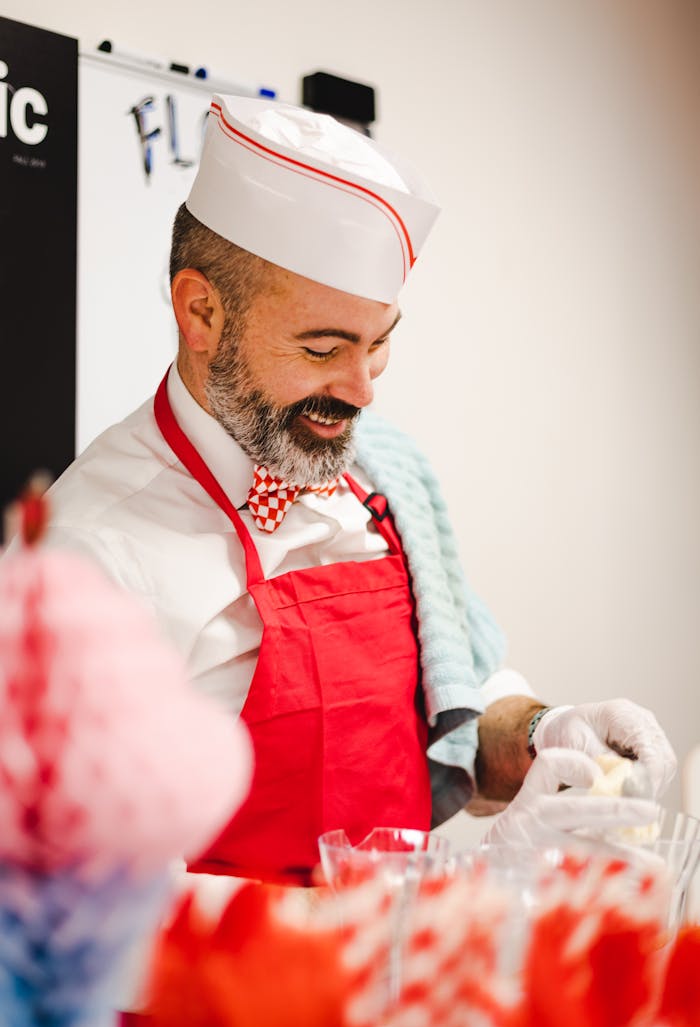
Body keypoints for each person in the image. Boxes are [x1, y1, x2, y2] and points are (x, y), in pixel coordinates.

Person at [34, 95, 673, 883]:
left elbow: (458, 703)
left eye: (380, 344)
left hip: (397, 985)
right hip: (220, 999)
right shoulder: (88, 560)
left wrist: (546, 733)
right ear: (200, 311)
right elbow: (89, 922)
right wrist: (417, 908)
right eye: (324, 347)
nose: (362, 390)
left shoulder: (380, 471)